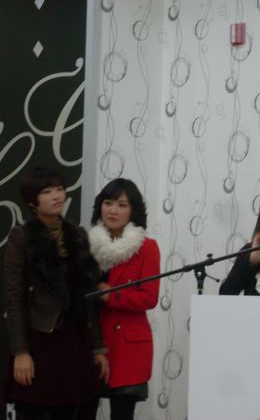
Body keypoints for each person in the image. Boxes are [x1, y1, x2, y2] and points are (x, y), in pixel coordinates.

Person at [3, 167, 107, 420]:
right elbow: (14, 299)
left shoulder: (78, 234)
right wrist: (21, 352)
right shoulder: (21, 236)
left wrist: (98, 348)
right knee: (36, 409)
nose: (56, 196)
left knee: (76, 410)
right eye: (47, 191)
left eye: (59, 189)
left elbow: (88, 296)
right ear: (32, 201)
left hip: (76, 340)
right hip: (40, 339)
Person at [89, 178, 160, 420]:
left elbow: (149, 297)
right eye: (108, 203)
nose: (113, 210)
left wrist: (112, 295)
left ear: (133, 210)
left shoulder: (146, 247)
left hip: (128, 346)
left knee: (122, 414)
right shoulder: (87, 245)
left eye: (122, 205)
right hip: (93, 339)